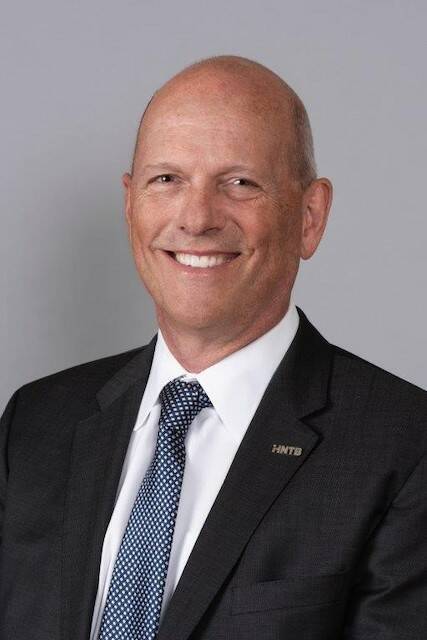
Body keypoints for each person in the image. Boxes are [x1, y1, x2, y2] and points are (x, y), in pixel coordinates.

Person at [0, 55, 426, 640]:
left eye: (240, 183)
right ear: (130, 204)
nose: (197, 218)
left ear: (309, 216)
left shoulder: (405, 447)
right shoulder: (35, 424)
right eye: (166, 180)